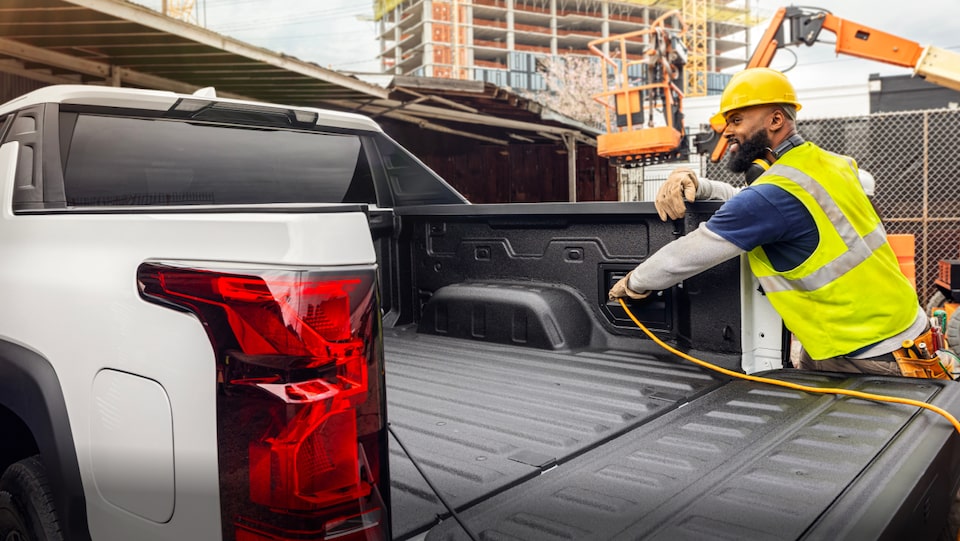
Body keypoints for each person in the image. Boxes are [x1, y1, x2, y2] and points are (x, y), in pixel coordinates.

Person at [608, 67, 938, 378]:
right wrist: (702, 186)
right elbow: (759, 200)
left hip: (872, 354)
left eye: (737, 119)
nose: (728, 131)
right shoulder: (831, 164)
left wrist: (635, 282)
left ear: (776, 119)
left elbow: (688, 253)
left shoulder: (774, 195)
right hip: (891, 332)